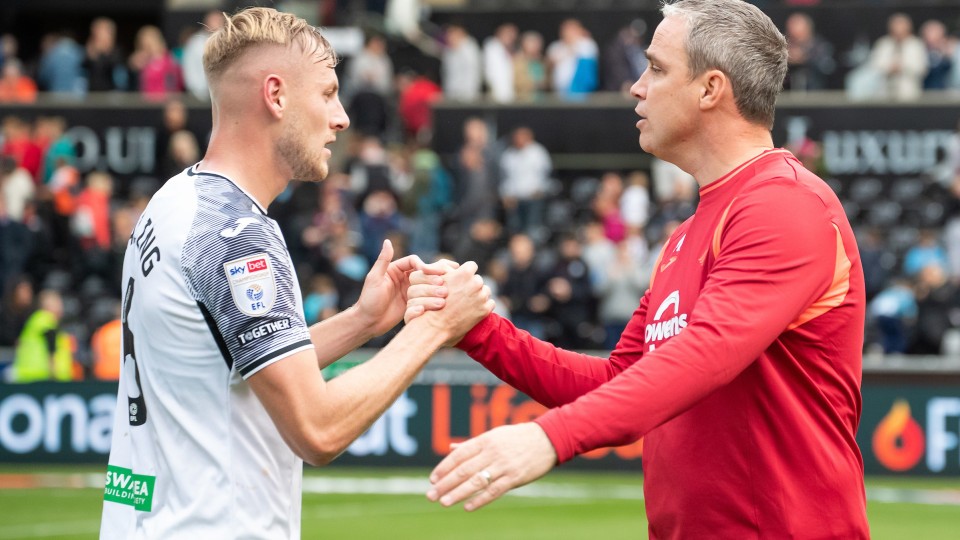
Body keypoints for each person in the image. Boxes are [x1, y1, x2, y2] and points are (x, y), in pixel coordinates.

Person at [409, 1, 869, 538]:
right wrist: (478, 330)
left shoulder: (783, 206)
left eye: (656, 67)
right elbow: (618, 382)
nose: (636, 86)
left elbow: (705, 354)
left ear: (710, 88)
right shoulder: (688, 233)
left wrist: (549, 437)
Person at [98, 8, 493, 539]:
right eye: (328, 92)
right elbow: (318, 430)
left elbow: (233, 366)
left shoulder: (177, 202)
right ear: (276, 95)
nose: (342, 117)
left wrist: (362, 321)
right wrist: (434, 329)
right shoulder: (235, 232)